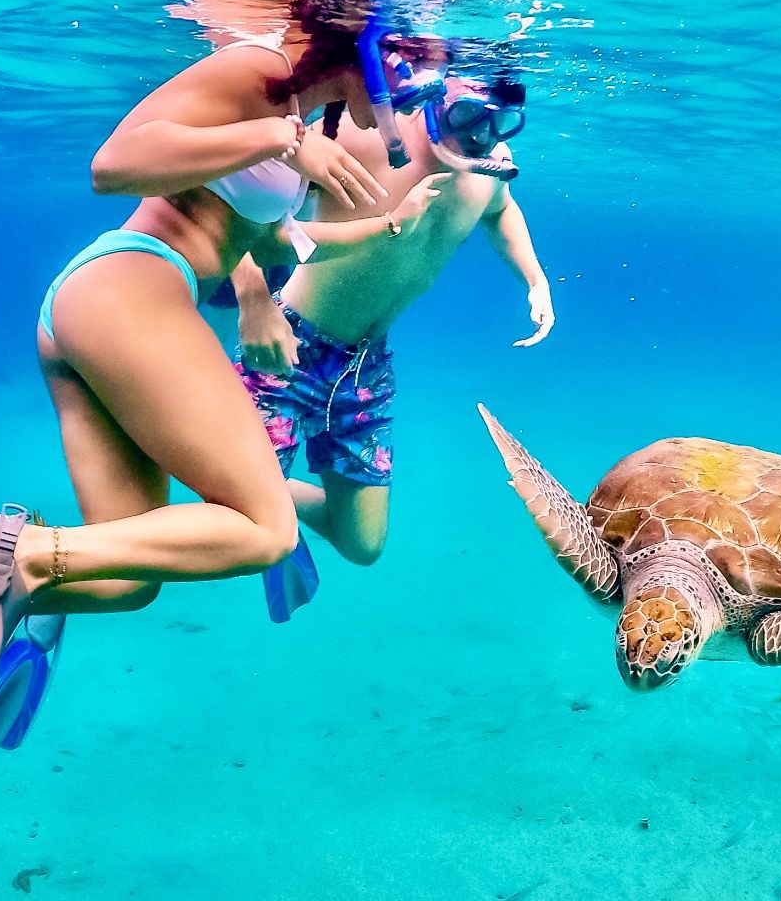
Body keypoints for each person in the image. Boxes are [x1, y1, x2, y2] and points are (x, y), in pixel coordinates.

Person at [0, 9, 447, 793]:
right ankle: (29, 559)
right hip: (131, 281)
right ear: (365, 46)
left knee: (125, 578)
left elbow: (274, 241)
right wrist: (280, 144)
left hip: (111, 304)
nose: (415, 99)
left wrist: (386, 227)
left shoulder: (297, 118)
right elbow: (114, 163)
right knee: (264, 528)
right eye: (413, 71)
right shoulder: (256, 67)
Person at [233, 68, 551, 590]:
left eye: (502, 124)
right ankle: (261, 505)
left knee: (362, 546)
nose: (478, 135)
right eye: (465, 114)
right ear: (434, 94)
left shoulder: (489, 168)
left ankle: (273, 509)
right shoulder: (363, 135)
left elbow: (501, 211)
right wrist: (252, 300)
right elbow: (237, 202)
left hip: (366, 367)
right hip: (290, 344)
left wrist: (534, 278)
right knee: (236, 509)